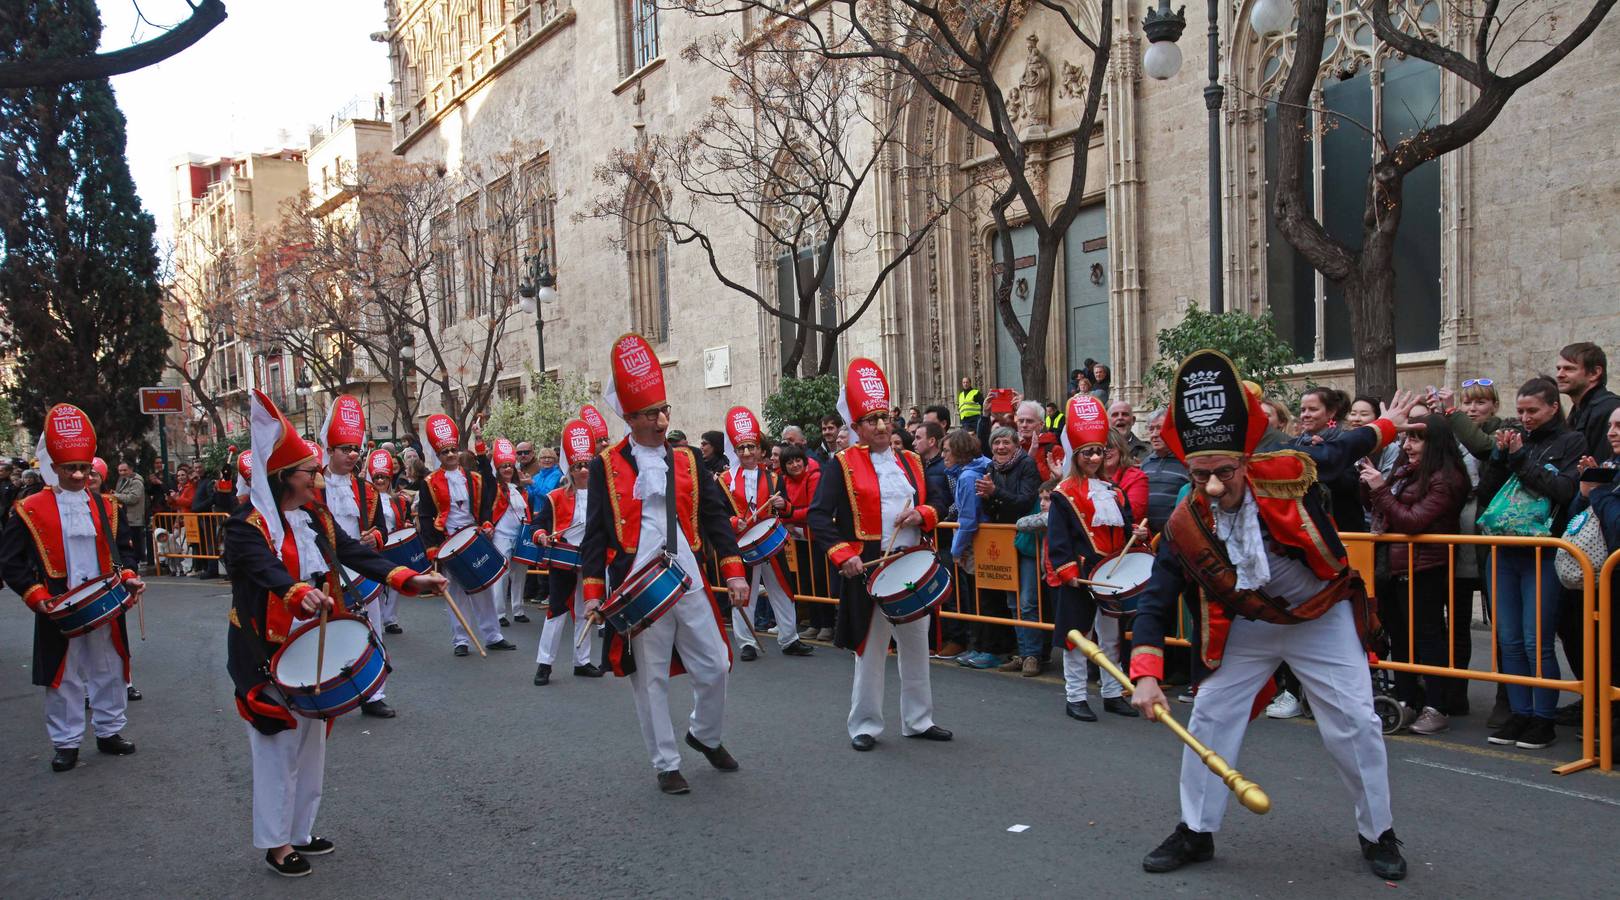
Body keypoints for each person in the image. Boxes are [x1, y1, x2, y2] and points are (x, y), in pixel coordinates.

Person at [1128, 350, 1416, 880]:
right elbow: (1156, 599)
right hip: (1246, 628)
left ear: (1244, 462)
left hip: (1319, 617)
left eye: (1223, 472)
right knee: (1211, 714)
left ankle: (1379, 832)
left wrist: (1386, 426)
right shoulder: (1183, 523)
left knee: (1356, 723)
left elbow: (1341, 447)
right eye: (1200, 474)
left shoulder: (1287, 473)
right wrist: (1145, 675)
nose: (1214, 485)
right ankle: (1195, 830)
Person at [224, 390, 442, 876]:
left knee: (312, 742)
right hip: (266, 649)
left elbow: (356, 554)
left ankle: (300, 831)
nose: (317, 479)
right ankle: (276, 843)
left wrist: (409, 579)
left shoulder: (314, 517)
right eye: (309, 473)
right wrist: (297, 592)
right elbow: (265, 572)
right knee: (277, 745)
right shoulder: (246, 526)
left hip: (315, 639)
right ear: (284, 479)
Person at [580, 333, 752, 795]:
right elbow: (595, 532)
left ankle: (704, 733)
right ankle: (665, 762)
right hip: (638, 582)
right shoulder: (605, 465)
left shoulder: (690, 459)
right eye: (650, 414)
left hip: (689, 573)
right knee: (650, 676)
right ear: (629, 418)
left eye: (664, 411)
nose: (661, 421)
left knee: (716, 663)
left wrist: (734, 572)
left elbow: (716, 519)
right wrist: (594, 594)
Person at [810, 356, 951, 752]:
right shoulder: (841, 465)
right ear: (855, 427)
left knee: (916, 645)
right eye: (870, 420)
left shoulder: (911, 461)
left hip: (912, 563)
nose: (879, 426)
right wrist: (843, 555)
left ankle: (919, 720)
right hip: (868, 569)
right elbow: (820, 517)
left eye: (883, 418)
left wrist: (923, 513)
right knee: (870, 649)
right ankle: (865, 725)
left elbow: (940, 498)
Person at [2, 404, 145, 772]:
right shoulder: (28, 509)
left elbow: (126, 551)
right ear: (56, 467)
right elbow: (11, 561)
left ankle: (109, 730)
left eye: (84, 468)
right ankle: (65, 742)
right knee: (62, 675)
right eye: (71, 468)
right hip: (57, 604)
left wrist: (129, 576)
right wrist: (37, 597)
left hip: (105, 603)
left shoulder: (106, 507)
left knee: (110, 667)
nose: (80, 474)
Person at [1476, 376, 1583, 749]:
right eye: (1520, 411)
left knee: (1535, 639)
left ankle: (1543, 719)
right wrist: (1500, 456)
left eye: (1532, 410)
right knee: (1508, 640)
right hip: (1504, 551)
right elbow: (1487, 496)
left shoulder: (1571, 442)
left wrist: (1520, 457)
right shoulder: (1512, 440)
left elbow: (1563, 492)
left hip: (1544, 551)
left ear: (1554, 407)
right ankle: (1519, 713)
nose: (1525, 418)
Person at [1358, 416, 1470, 734]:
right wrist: (1368, 482)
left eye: (1416, 439)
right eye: (1406, 439)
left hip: (1425, 567)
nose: (1406, 446)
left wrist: (1380, 488)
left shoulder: (1447, 478)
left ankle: (1437, 705)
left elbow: (1412, 521)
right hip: (1392, 566)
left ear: (1435, 442)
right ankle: (1407, 700)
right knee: (1401, 636)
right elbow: (1378, 505)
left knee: (1428, 636)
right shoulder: (1407, 470)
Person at [1046, 393, 1141, 721]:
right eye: (1088, 452)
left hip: (1112, 574)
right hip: (1081, 575)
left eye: (1099, 451)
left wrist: (1135, 536)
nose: (1094, 457)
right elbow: (1058, 539)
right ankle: (1075, 696)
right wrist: (1068, 571)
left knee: (1112, 637)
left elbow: (1123, 529)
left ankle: (1113, 692)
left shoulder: (1115, 491)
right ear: (1077, 454)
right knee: (1078, 638)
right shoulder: (1063, 494)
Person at [718, 405, 815, 661]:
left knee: (782, 589)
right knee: (745, 592)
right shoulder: (724, 481)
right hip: (742, 543)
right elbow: (716, 514)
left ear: (760, 450)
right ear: (736, 451)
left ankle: (790, 638)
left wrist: (786, 506)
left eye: (752, 447)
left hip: (770, 541)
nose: (747, 452)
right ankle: (746, 643)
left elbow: (784, 510)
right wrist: (732, 521)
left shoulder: (773, 478)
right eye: (742, 448)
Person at [416, 415, 513, 656]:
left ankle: (493, 635)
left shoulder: (474, 479)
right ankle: (461, 639)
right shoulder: (429, 483)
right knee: (456, 593)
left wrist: (487, 523)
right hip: (447, 542)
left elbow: (485, 504)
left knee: (483, 589)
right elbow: (426, 517)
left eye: (452, 450)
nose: (449, 455)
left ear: (458, 451)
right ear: (438, 456)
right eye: (444, 452)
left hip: (472, 538)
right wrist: (432, 550)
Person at [532, 419, 605, 685]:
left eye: (587, 465)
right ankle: (545, 663)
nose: (583, 470)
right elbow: (538, 524)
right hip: (563, 557)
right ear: (570, 469)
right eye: (578, 466)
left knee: (585, 609)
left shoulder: (603, 496)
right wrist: (540, 536)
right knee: (557, 610)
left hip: (592, 560)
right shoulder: (555, 496)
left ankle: (582, 661)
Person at [974, 426, 1039, 673]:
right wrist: (987, 497)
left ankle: (1033, 654)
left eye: (1005, 443)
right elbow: (993, 509)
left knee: (1028, 600)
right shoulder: (991, 468)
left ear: (1016, 445)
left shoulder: (1026, 465)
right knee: (1013, 602)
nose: (1001, 447)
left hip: (1026, 539)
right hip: (1003, 540)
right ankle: (1022, 653)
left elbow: (1024, 501)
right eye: (997, 443)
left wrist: (995, 492)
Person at [937, 429, 986, 660]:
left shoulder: (967, 477)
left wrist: (956, 550)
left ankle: (980, 647)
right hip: (981, 542)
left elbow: (967, 519)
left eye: (946, 451)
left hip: (976, 545)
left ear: (958, 451)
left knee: (980, 598)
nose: (943, 455)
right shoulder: (975, 469)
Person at [777, 445, 830, 642]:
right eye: (790, 462)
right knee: (805, 580)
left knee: (819, 579)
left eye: (798, 460)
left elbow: (814, 509)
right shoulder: (782, 480)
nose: (795, 465)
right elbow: (778, 510)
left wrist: (790, 515)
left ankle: (826, 624)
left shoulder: (814, 476)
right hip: (797, 538)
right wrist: (787, 520)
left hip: (815, 536)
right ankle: (814, 623)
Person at [488, 438, 536, 628]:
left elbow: (526, 511)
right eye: (503, 467)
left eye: (509, 466)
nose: (507, 469)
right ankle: (499, 612)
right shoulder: (495, 488)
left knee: (520, 573)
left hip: (520, 535)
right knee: (501, 575)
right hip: (501, 534)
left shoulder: (520, 489)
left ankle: (518, 609)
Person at [365, 450, 410, 636]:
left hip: (394, 544)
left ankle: (390, 619)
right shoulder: (366, 499)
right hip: (375, 545)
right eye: (377, 477)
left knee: (394, 584)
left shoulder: (398, 500)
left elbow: (402, 520)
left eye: (384, 477)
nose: (380, 481)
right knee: (377, 584)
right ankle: (375, 619)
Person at [1557, 342, 1620, 459]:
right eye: (1558, 368)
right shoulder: (1578, 411)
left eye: (1569, 369)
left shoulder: (1610, 409)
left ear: (1595, 373)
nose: (1559, 374)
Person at [1141, 409, 1189, 536]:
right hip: (1149, 537)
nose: (1154, 434)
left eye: (1159, 428)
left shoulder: (1186, 463)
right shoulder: (1146, 464)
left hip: (1177, 536)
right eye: (1151, 429)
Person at [113, 461, 148, 572]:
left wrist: (115, 495)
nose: (122, 473)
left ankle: (136, 564)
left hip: (134, 518)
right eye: (120, 470)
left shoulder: (136, 482)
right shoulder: (121, 480)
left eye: (124, 470)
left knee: (135, 543)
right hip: (125, 517)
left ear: (131, 470)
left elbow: (132, 498)